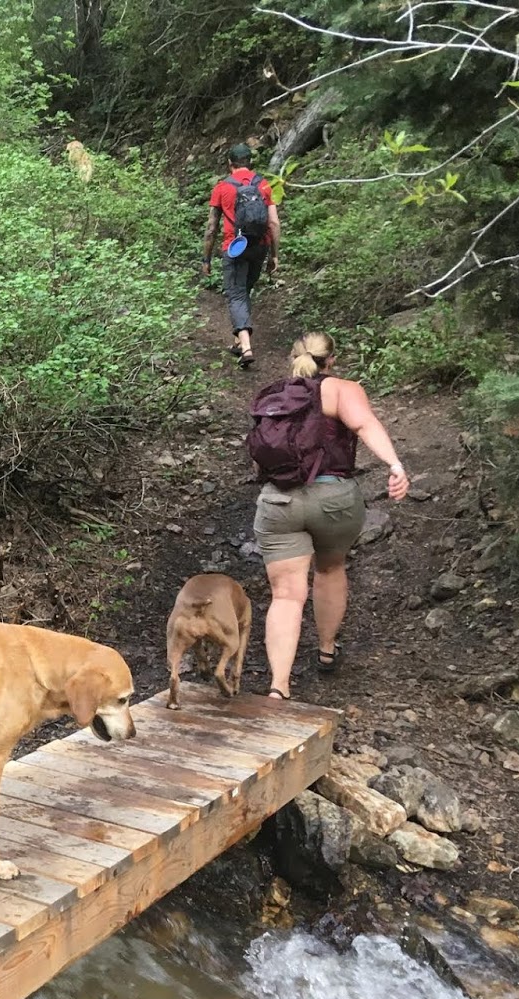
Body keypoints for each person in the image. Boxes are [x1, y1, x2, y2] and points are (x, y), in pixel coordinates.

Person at [252, 333, 409, 700]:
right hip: (334, 499)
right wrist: (395, 465)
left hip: (279, 502)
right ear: (331, 360)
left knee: (286, 595)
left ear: (292, 358)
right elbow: (365, 424)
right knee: (329, 569)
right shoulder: (342, 389)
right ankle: (325, 649)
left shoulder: (274, 394)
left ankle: (279, 685)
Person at [202, 144, 280, 367]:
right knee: (244, 290)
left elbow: (211, 228)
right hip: (259, 246)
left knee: (236, 294)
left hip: (234, 247)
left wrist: (206, 258)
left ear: (230, 163)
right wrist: (274, 255)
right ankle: (238, 342)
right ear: (249, 162)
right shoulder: (263, 185)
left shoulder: (222, 187)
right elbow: (273, 223)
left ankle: (246, 347)